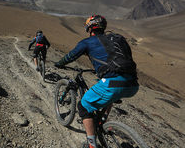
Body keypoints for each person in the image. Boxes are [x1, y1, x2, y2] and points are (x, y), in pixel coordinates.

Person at [54, 15, 139, 148]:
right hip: (133, 84)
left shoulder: (87, 42)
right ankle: (102, 121)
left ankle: (91, 145)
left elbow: (71, 56)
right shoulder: (118, 38)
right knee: (109, 95)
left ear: (89, 28)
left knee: (83, 107)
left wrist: (59, 63)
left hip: (112, 84)